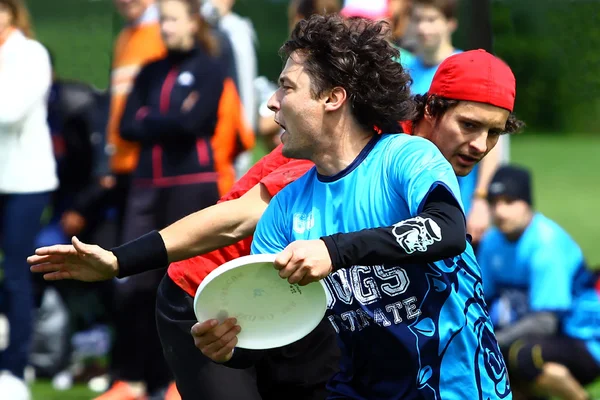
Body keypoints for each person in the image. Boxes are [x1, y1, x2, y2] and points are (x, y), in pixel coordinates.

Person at [29, 46, 522, 400]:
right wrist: (120, 261)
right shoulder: (343, 157)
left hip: (324, 301)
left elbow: (440, 234)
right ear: (431, 109)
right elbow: (234, 220)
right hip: (216, 291)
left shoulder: (415, 164)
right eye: (469, 125)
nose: (480, 146)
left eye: (493, 133)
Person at [193, 14, 513, 399]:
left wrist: (334, 251)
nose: (272, 104)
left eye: (286, 88)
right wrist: (230, 347)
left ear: (333, 98)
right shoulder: (284, 211)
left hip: (455, 389)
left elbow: (447, 231)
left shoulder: (408, 156)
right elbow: (278, 323)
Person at [477, 165, 600, 400]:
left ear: (527, 203)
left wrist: (492, 340)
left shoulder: (545, 244)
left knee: (525, 355)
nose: (500, 211)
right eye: (494, 203)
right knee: (491, 363)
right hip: (531, 332)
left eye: (509, 201)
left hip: (583, 338)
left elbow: (546, 322)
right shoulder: (492, 241)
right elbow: (482, 299)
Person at [0, 1, 57, 398]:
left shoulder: (32, 54)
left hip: (25, 182)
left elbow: (11, 111)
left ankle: (14, 372)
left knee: (18, 278)